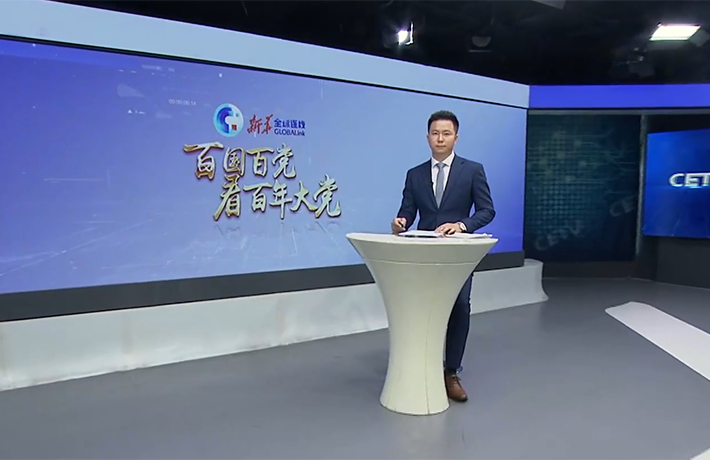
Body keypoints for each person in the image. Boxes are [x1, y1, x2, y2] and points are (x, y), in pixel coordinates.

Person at [390, 110, 495, 402]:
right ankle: (423, 365)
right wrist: (400, 222)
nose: (440, 139)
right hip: (424, 254)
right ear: (427, 137)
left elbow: (487, 210)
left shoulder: (472, 170)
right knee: (424, 307)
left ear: (455, 138)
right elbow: (407, 212)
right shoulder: (415, 174)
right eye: (435, 133)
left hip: (458, 254)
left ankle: (451, 372)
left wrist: (462, 225)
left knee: (459, 305)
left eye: (446, 134)